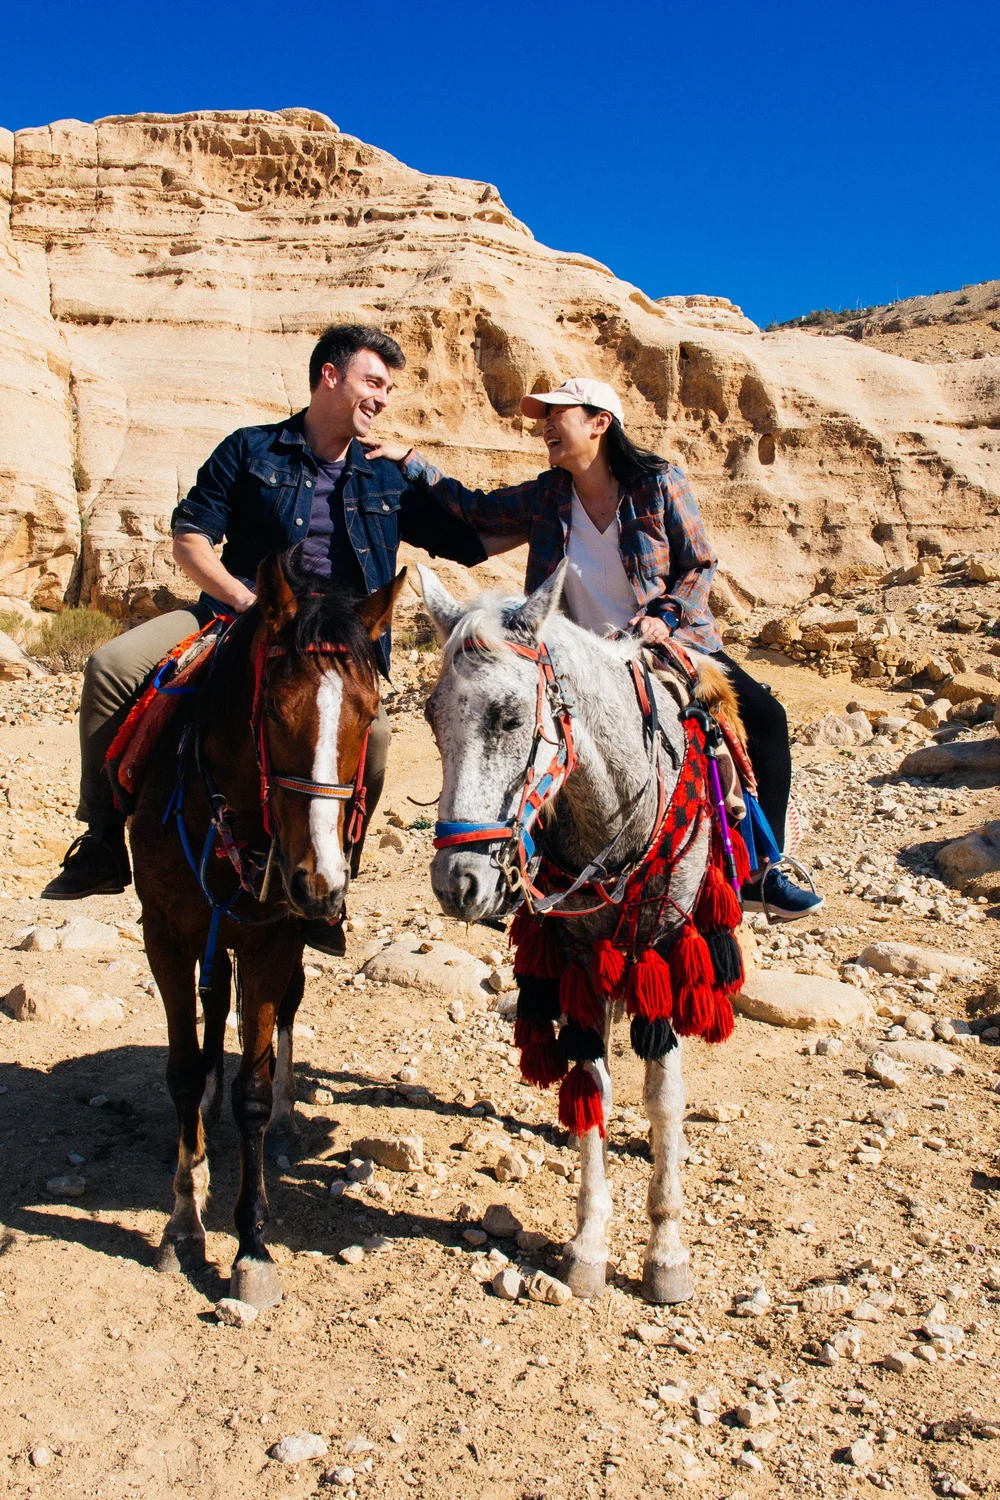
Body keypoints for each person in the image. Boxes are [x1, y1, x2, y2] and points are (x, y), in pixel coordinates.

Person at [42, 324, 489, 950]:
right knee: (111, 667)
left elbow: (473, 536)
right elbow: (191, 539)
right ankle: (101, 841)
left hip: (335, 652)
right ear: (330, 377)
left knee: (377, 739)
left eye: (388, 389)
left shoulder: (387, 477)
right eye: (373, 382)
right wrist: (248, 603)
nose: (382, 399)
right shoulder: (251, 450)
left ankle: (330, 884)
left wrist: (551, 503)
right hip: (234, 618)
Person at [366, 377, 822, 921]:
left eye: (557, 416)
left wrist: (664, 614)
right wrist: (411, 460)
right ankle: (519, 870)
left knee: (766, 717)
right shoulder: (548, 494)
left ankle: (761, 871)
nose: (545, 428)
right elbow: (476, 509)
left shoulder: (659, 483)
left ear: (600, 423)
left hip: (668, 642)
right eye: (543, 419)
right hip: (577, 653)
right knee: (531, 735)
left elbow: (699, 563)